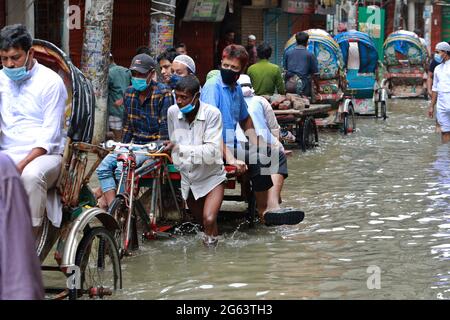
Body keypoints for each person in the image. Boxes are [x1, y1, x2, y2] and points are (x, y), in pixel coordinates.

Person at [201, 44, 304, 226]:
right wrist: (231, 158)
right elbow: (210, 130)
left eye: (233, 68)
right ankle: (263, 211)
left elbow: (245, 119)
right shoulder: (212, 86)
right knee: (259, 158)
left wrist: (259, 143)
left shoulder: (236, 89)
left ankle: (273, 207)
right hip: (213, 147)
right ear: (220, 64)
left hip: (231, 144)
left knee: (275, 154)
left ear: (241, 71)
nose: (228, 70)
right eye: (225, 66)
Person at [0, 24, 67, 232]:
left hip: (45, 156)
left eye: (15, 58)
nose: (9, 65)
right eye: (4, 59)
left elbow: (49, 137)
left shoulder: (51, 82)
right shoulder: (1, 80)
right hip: (7, 152)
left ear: (30, 53)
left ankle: (29, 237)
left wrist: (19, 166)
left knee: (30, 175)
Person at [96, 54, 174, 209]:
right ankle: (115, 210)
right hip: (134, 146)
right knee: (103, 167)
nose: (137, 77)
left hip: (153, 148)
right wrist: (120, 148)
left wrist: (153, 155)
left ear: (152, 74)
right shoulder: (129, 93)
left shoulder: (163, 93)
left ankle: (123, 208)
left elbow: (164, 132)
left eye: (142, 74)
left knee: (121, 168)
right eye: (135, 74)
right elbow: (127, 128)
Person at [166, 75, 226, 246]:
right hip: (189, 179)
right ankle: (213, 254)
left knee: (208, 219)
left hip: (212, 176)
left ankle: (210, 261)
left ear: (196, 96)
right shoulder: (172, 112)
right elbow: (174, 140)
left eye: (184, 97)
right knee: (205, 223)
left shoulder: (212, 114)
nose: (179, 101)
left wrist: (179, 149)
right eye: (176, 96)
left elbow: (212, 152)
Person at [236, 75, 289, 209]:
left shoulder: (231, 101)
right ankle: (273, 201)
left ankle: (270, 201)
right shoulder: (260, 101)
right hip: (255, 147)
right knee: (276, 155)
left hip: (238, 147)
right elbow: (274, 128)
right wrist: (277, 143)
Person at [0, 152, 44, 300]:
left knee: (32, 177)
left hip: (37, 157)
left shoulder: (3, 169)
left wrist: (22, 164)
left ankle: (34, 236)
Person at [283, 31, 319, 97]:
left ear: (296, 42)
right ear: (307, 42)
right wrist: (318, 87)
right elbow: (315, 74)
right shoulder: (310, 55)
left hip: (289, 86)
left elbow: (285, 70)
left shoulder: (288, 53)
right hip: (304, 87)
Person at [428, 42, 450, 143]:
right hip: (441, 104)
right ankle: (444, 156)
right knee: (444, 131)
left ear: (445, 52)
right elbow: (435, 88)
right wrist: (432, 106)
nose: (435, 54)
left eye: (438, 52)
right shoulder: (437, 69)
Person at [108, 53, 131, 141]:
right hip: (127, 109)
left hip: (115, 110)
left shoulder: (108, 73)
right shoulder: (126, 71)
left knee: (118, 138)